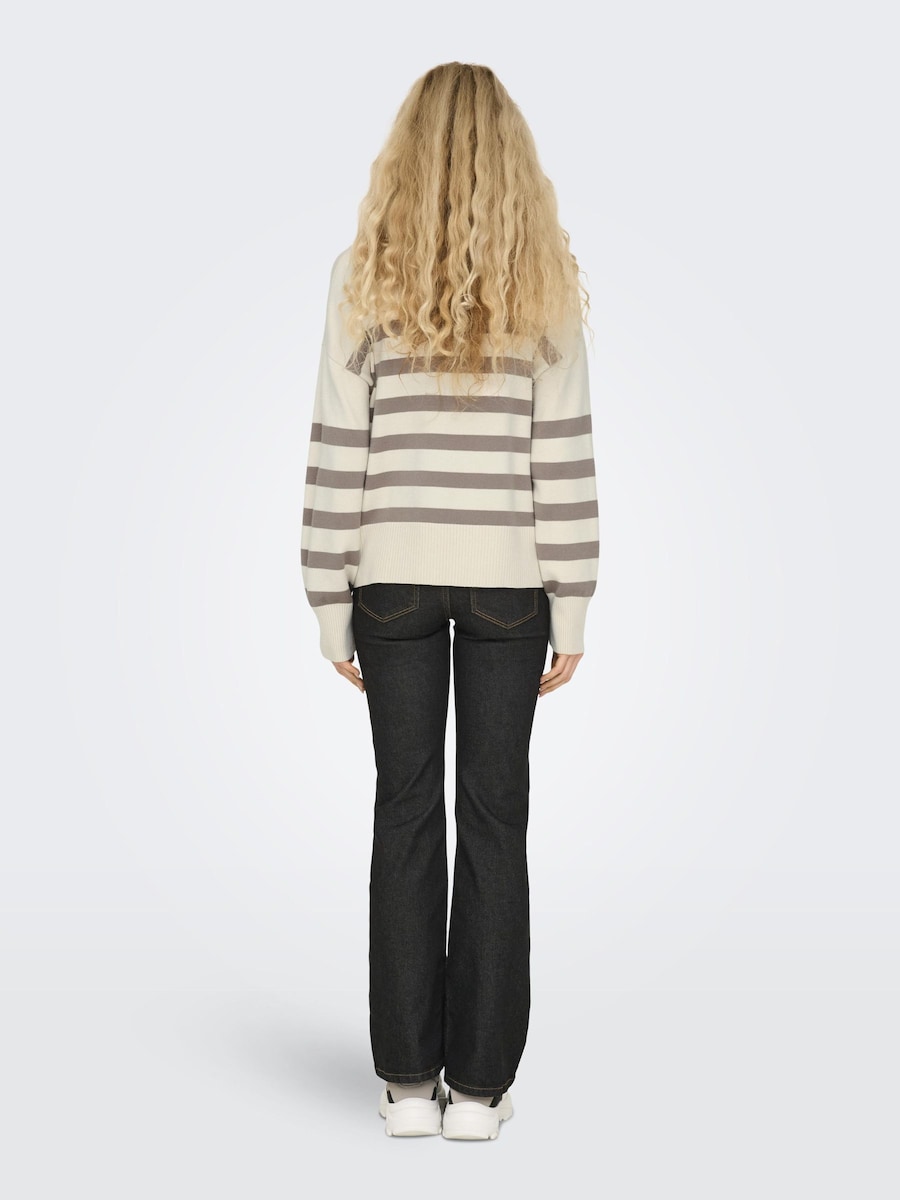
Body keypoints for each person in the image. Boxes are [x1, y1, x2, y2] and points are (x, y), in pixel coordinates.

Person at [300, 62, 599, 1140]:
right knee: (495, 820)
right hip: (511, 585)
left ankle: (403, 1087)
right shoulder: (544, 279)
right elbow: (562, 456)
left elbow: (338, 447)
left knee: (406, 812)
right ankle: (476, 1091)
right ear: (513, 157)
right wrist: (573, 603)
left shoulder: (359, 276)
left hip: (390, 583)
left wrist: (327, 600)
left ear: (406, 152)